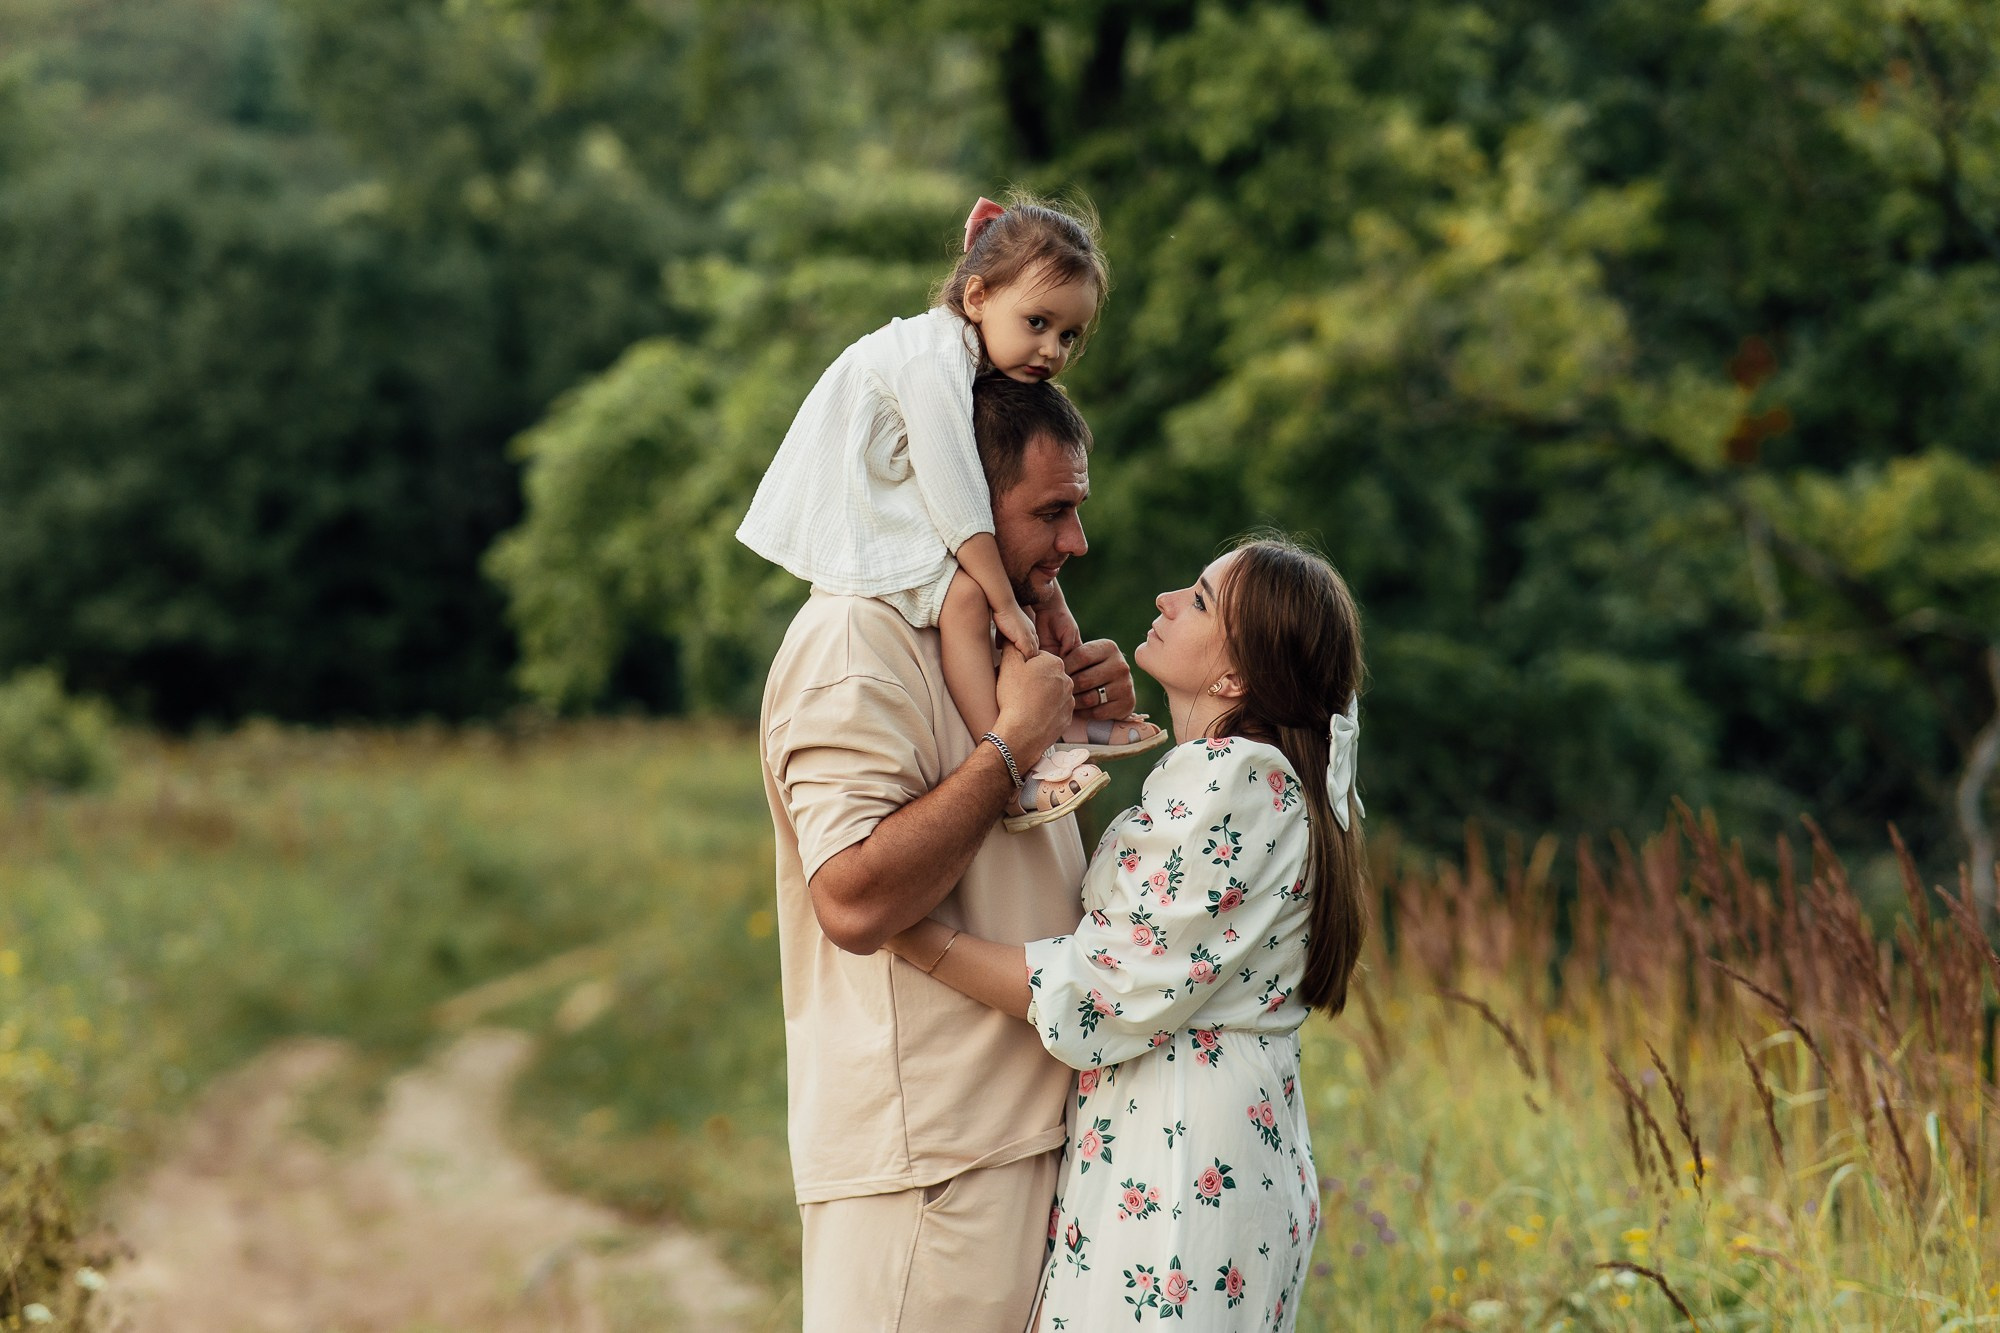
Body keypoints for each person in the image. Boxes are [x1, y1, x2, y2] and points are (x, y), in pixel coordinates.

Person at [883, 536, 1369, 1331]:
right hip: (1199, 1133)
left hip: (1182, 1154)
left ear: (1234, 678)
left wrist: (912, 933)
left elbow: (1102, 990)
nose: (1166, 600)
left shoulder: (1237, 780)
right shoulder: (1247, 776)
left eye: (1200, 601)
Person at [757, 374, 1140, 1331]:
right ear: (957, 499)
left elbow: (1008, 857)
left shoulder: (991, 636)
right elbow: (851, 899)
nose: (1076, 541)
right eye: (1049, 512)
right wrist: (1009, 746)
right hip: (931, 1172)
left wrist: (1083, 725)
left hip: (1019, 1146)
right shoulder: (856, 640)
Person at [738, 193, 1164, 830]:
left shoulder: (973, 361)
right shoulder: (931, 361)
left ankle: (1059, 722)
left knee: (990, 594)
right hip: (867, 500)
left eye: (1068, 335)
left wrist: (1047, 602)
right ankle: (1016, 760)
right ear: (977, 298)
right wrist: (1007, 604)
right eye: (1038, 323)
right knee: (969, 597)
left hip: (897, 484)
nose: (1051, 351)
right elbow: (961, 501)